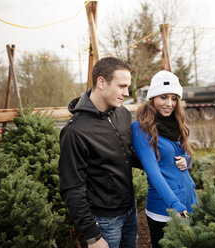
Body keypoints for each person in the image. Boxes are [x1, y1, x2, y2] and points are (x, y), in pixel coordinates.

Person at [59, 57, 141, 248]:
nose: (126, 93)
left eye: (127, 87)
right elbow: (72, 188)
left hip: (131, 210)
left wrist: (162, 161)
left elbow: (127, 154)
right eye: (121, 86)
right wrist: (93, 236)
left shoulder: (122, 113)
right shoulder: (75, 132)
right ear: (101, 82)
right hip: (105, 222)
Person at [131, 70, 197, 248]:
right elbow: (154, 173)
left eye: (174, 98)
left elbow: (185, 155)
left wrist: (187, 161)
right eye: (164, 97)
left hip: (190, 203)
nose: (170, 103)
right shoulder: (141, 128)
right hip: (166, 209)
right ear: (152, 97)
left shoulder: (176, 123)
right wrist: (175, 205)